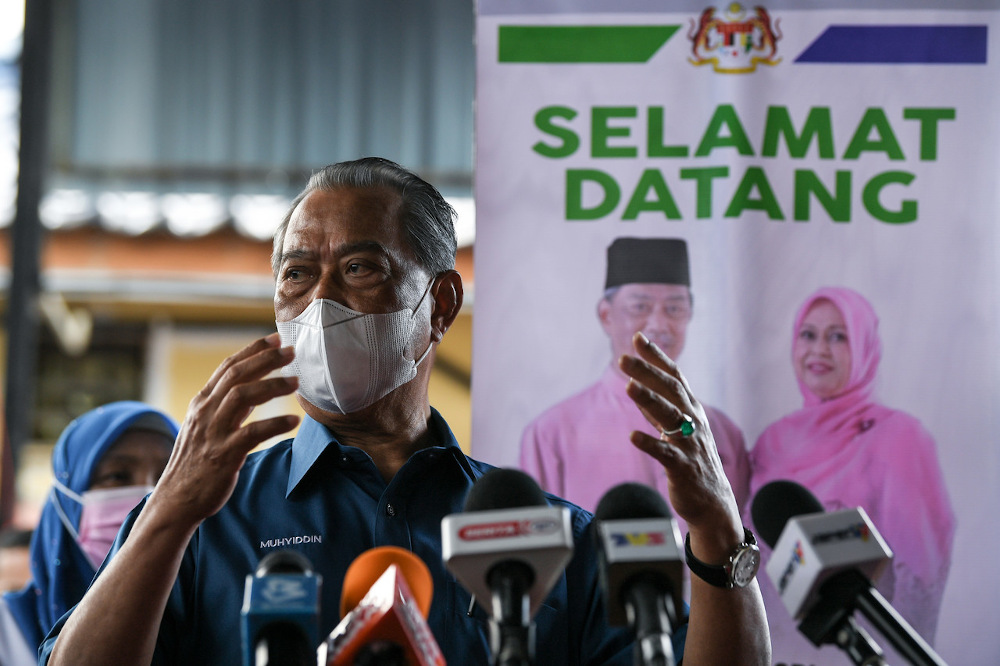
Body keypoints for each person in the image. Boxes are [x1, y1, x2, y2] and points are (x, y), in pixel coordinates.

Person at [41, 158, 769, 665]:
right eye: (297, 275)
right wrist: (166, 512)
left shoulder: (551, 538)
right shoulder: (200, 520)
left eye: (359, 268)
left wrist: (716, 531)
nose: (320, 300)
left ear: (440, 304)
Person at [748, 286, 955, 664]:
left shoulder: (899, 437)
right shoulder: (773, 441)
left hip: (863, 652)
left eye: (838, 336)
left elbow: (922, 577)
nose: (819, 349)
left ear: (865, 346)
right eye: (808, 334)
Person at [520, 237, 750, 521]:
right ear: (606, 315)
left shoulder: (722, 432)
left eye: (674, 309)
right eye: (640, 307)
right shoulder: (551, 432)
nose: (658, 324)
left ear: (689, 314)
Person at [0, 401, 178, 666]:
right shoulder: (7, 629)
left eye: (167, 476)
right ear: (68, 501)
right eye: (118, 475)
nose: (150, 496)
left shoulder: (211, 611)